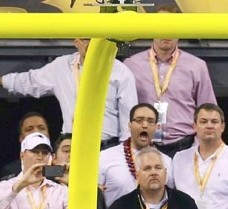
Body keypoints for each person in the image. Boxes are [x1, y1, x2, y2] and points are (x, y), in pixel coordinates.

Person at [1, 39, 138, 147]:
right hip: (70, 146)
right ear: (76, 42)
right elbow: (31, 81)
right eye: (86, 40)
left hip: (106, 147)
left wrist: (126, 151)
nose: (91, 44)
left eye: (96, 40)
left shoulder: (120, 71)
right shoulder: (61, 66)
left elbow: (129, 118)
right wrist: (2, 81)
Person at [124, 7, 217, 157]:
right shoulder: (131, 65)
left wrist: (201, 148)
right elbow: (125, 109)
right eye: (162, 26)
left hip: (184, 147)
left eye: (171, 26)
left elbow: (208, 110)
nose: (166, 33)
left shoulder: (196, 66)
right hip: (144, 146)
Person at [98, 103, 175, 208]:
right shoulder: (105, 157)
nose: (144, 125)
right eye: (139, 120)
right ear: (129, 125)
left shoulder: (166, 161)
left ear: (157, 127)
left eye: (150, 121)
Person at [0, 112, 50, 180]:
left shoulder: (57, 169)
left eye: (41, 128)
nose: (36, 132)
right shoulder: (10, 171)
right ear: (21, 139)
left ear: (48, 135)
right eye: (29, 129)